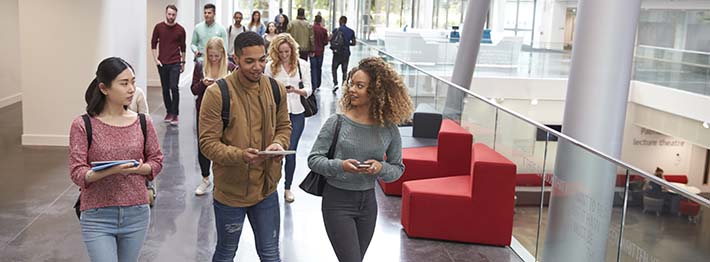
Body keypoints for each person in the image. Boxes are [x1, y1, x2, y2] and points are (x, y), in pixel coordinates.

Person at [308, 57, 413, 262]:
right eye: (351, 84)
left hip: (368, 203)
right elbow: (314, 159)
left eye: (360, 85)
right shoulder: (337, 122)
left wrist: (380, 168)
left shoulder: (388, 128)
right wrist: (341, 166)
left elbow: (397, 169)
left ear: (375, 91)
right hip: (337, 201)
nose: (352, 90)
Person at [198, 31, 291, 262]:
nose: (257, 67)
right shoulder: (217, 93)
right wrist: (241, 156)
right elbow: (207, 144)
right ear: (235, 59)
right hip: (230, 193)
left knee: (271, 254)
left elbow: (284, 126)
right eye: (249, 61)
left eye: (262, 60)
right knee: (226, 252)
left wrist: (279, 144)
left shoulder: (276, 89)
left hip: (266, 189)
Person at [69, 57, 164, 262]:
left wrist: (138, 169)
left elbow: (156, 160)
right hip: (97, 215)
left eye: (133, 82)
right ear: (104, 88)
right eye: (124, 83)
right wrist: (111, 170)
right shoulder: (83, 125)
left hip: (137, 212)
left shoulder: (142, 121)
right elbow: (77, 173)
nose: (131, 89)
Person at [264, 34, 312, 203]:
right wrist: (279, 92)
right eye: (281, 52)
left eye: (287, 51)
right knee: (275, 150)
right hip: (276, 113)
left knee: (290, 151)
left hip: (297, 112)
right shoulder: (270, 66)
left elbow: (309, 89)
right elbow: (265, 89)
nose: (284, 55)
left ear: (292, 50)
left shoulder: (303, 65)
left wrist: (295, 91)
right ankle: (271, 186)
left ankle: (287, 188)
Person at [191, 37, 237, 196]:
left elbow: (237, 90)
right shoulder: (199, 66)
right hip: (204, 111)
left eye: (216, 56)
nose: (213, 59)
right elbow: (193, 90)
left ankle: (222, 179)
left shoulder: (231, 67)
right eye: (210, 56)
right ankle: (205, 178)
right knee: (203, 145)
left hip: (225, 111)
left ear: (223, 54)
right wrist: (203, 84)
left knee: (225, 143)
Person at [151, 4, 186, 125]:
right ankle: (169, 111)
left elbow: (183, 47)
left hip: (175, 61)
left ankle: (175, 114)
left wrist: (183, 62)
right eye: (169, 14)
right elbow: (153, 44)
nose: (171, 16)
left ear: (176, 15)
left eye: (173, 15)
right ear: (166, 14)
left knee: (174, 87)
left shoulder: (180, 30)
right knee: (165, 89)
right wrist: (156, 59)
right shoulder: (159, 27)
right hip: (162, 63)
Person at [331, 16, 356, 94]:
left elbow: (331, 39)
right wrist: (347, 44)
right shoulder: (351, 31)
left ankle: (335, 83)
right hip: (346, 53)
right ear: (346, 21)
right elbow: (354, 43)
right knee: (344, 70)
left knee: (334, 68)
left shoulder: (335, 30)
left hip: (337, 53)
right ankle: (344, 85)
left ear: (339, 21)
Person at [311, 15, 328, 90]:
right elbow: (326, 42)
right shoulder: (323, 30)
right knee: (319, 68)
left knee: (313, 68)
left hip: (312, 51)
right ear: (320, 21)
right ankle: (318, 84)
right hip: (320, 51)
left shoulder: (311, 29)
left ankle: (313, 84)